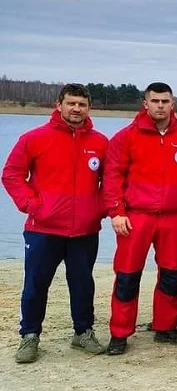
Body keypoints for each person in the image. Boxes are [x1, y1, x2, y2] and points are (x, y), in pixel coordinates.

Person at [2, 84, 109, 363]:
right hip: (43, 229)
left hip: (85, 230)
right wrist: (32, 205)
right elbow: (12, 174)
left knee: (83, 284)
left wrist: (98, 209)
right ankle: (30, 336)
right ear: (59, 104)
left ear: (89, 108)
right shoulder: (34, 138)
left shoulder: (100, 142)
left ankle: (83, 332)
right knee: (36, 284)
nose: (76, 109)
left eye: (81, 104)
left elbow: (110, 183)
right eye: (71, 103)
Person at [103, 82, 177, 355]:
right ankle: (120, 333)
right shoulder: (126, 137)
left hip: (174, 219)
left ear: (173, 105)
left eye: (165, 101)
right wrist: (116, 211)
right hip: (136, 218)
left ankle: (166, 327)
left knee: (172, 275)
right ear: (145, 103)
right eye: (155, 100)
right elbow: (112, 176)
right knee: (127, 276)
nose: (160, 105)